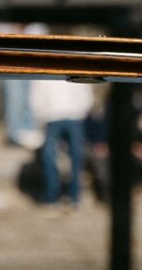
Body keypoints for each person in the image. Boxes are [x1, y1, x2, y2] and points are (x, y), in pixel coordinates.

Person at [26, 74, 93, 206]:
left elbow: (85, 92)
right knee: (51, 158)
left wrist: (81, 111)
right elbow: (36, 96)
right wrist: (42, 116)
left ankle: (72, 196)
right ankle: (53, 197)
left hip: (71, 117)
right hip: (53, 117)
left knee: (74, 158)